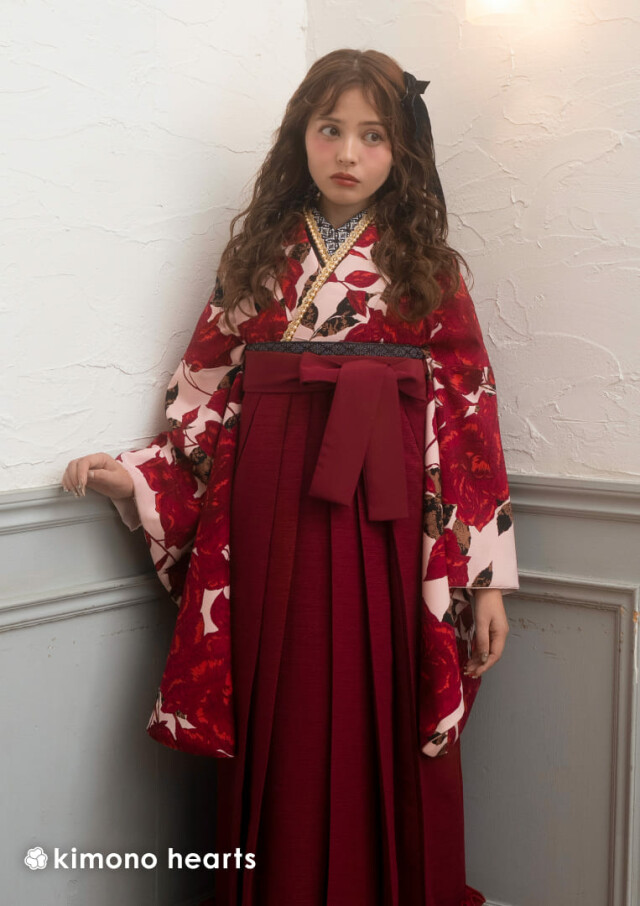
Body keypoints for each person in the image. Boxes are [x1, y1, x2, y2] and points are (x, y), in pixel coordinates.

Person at [61, 48, 518, 906]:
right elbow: (205, 395)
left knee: (385, 697)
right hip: (269, 509)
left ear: (402, 150)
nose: (348, 152)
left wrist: (486, 581)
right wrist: (140, 477)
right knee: (284, 695)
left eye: (373, 135)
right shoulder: (260, 259)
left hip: (389, 518)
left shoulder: (430, 270)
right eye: (329, 129)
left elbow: (468, 417)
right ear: (299, 138)